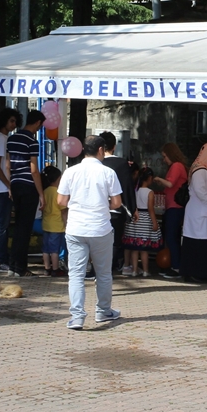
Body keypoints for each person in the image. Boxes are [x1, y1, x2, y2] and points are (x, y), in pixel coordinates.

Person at [57, 135, 123, 330]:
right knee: (103, 274)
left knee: (76, 275)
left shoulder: (71, 172)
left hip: (76, 228)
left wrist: (78, 205)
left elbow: (60, 202)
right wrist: (103, 205)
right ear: (101, 150)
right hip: (100, 228)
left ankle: (77, 316)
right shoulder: (108, 172)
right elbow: (117, 203)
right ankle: (103, 311)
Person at [6, 109, 46, 278]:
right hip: (28, 186)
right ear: (37, 123)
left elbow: (8, 165)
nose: (39, 128)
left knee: (18, 228)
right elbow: (34, 170)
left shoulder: (12, 138)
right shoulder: (32, 141)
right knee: (25, 228)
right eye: (40, 125)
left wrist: (10, 186)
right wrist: (41, 193)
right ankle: (20, 268)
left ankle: (13, 265)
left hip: (15, 184)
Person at [181, 142, 207, 283]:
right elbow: (200, 190)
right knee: (198, 244)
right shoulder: (200, 170)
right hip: (200, 213)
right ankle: (196, 273)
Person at [99, 132, 137, 276]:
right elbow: (128, 187)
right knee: (115, 242)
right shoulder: (121, 164)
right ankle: (109, 269)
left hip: (98, 210)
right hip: (117, 209)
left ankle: (96, 269)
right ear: (114, 146)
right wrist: (133, 209)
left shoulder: (98, 164)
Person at [0, 108, 19, 273]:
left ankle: (2, 259)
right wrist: (8, 185)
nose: (14, 124)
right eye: (11, 121)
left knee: (2, 225)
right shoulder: (1, 139)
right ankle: (0, 260)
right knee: (1, 225)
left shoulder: (0, 138)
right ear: (4, 121)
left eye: (15, 121)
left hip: (1, 187)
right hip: (2, 189)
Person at [154, 143, 188, 279]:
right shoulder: (179, 166)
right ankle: (174, 264)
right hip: (174, 206)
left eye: (165, 157)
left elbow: (170, 183)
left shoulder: (176, 166)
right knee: (172, 236)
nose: (164, 160)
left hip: (174, 206)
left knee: (171, 237)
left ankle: (176, 266)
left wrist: (158, 179)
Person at [123, 167, 162, 277]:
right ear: (150, 178)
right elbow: (151, 209)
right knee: (144, 249)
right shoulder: (150, 192)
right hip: (145, 220)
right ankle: (145, 271)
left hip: (135, 220)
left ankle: (134, 270)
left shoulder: (135, 190)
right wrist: (154, 223)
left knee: (135, 248)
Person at [40, 166, 67, 277]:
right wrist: (66, 223)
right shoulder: (58, 192)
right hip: (56, 225)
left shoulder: (44, 191)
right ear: (57, 179)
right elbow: (63, 210)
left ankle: (47, 269)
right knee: (55, 250)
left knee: (46, 249)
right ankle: (55, 269)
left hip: (46, 224)